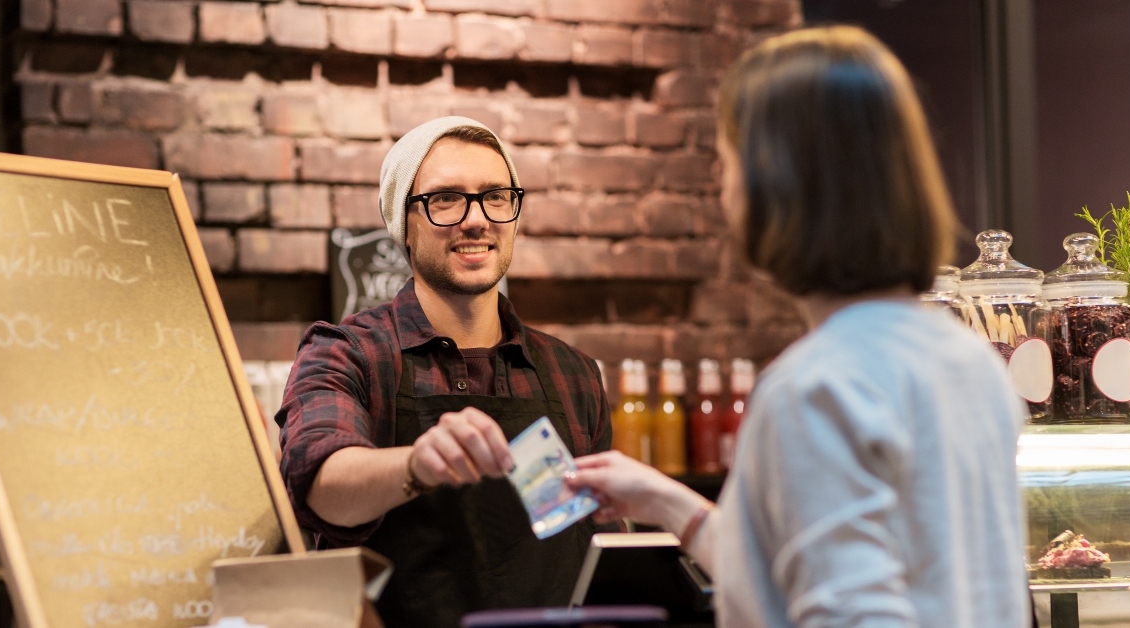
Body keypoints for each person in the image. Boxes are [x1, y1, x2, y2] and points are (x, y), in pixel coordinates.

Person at [567, 26, 1029, 627]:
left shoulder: (815, 389)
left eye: (728, 159)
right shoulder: (969, 363)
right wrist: (669, 505)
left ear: (779, 184)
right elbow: (810, 572)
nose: (719, 182)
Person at [277, 117, 612, 627]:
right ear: (403, 225)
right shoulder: (346, 353)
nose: (476, 220)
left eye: (495, 196)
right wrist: (416, 465)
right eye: (445, 199)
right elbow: (319, 484)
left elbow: (598, 537)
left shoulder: (574, 372)